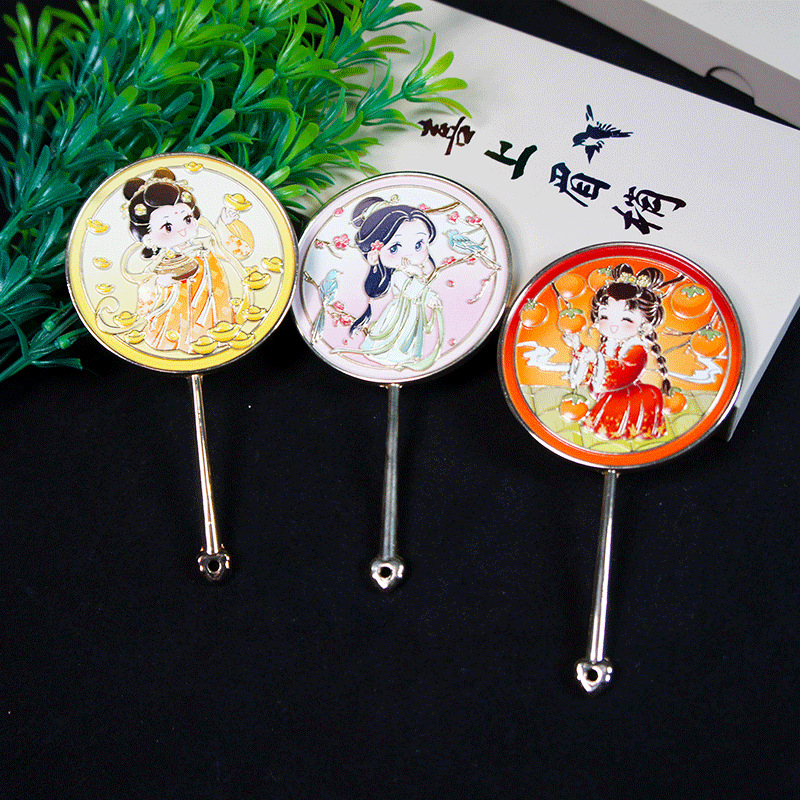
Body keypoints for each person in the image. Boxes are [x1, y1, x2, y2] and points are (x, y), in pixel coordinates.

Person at [121, 167, 243, 353]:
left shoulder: (203, 249)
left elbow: (224, 249)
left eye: (187, 219)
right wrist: (161, 283)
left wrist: (223, 224)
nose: (183, 229)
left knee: (215, 318)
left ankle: (217, 335)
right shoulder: (160, 264)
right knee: (180, 327)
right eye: (168, 227)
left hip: (211, 299)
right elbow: (147, 288)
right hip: (178, 308)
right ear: (148, 238)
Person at [564, 263, 670, 440]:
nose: (613, 326)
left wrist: (595, 359)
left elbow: (623, 374)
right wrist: (579, 349)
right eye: (605, 316)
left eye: (626, 319)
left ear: (644, 325)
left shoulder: (637, 349)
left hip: (628, 395)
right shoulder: (608, 345)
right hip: (612, 394)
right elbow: (593, 373)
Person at [345, 195, 444, 370]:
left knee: (410, 335)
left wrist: (430, 296)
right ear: (374, 255)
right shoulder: (398, 275)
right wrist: (419, 276)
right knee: (398, 335)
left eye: (419, 245)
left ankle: (404, 357)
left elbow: (420, 291)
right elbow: (412, 292)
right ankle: (390, 357)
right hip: (401, 313)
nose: (409, 255)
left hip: (411, 310)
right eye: (394, 248)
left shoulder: (410, 272)